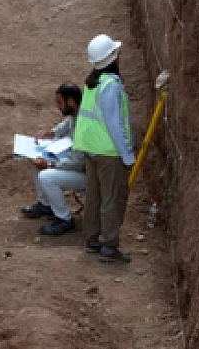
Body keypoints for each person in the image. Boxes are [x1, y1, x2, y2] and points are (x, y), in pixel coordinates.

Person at [74, 34, 136, 262]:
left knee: (94, 195)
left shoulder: (92, 82)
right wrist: (127, 155)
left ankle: (92, 238)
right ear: (112, 58)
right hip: (108, 152)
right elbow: (114, 123)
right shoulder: (111, 86)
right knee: (112, 198)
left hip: (91, 149)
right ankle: (109, 245)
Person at [20, 83, 87, 236]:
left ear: (70, 102)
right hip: (75, 164)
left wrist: (50, 164)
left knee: (46, 176)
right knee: (36, 160)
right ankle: (46, 204)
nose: (58, 106)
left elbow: (79, 162)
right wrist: (50, 133)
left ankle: (64, 219)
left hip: (85, 174)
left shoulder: (84, 125)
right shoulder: (76, 115)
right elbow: (66, 125)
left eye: (59, 102)